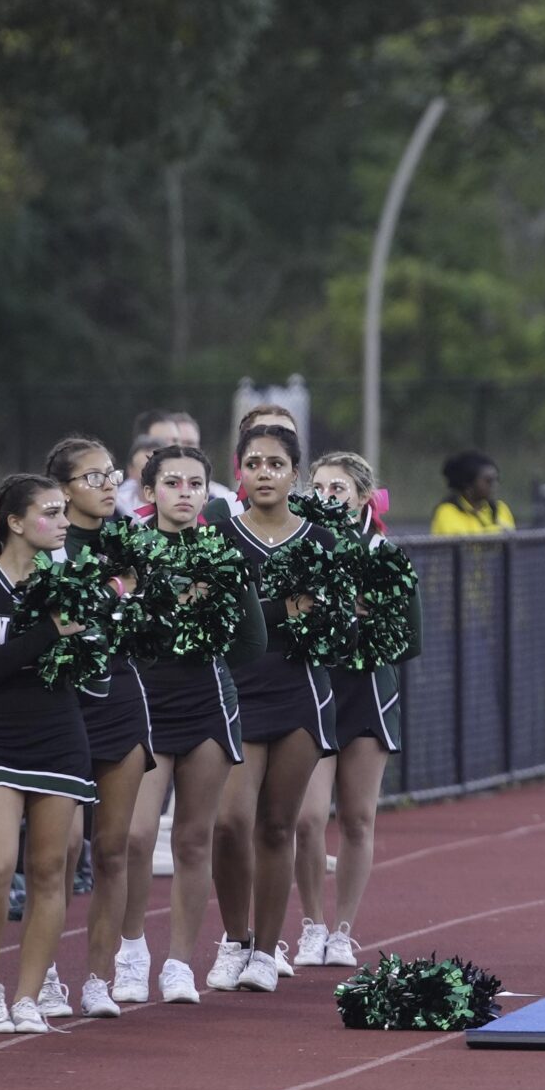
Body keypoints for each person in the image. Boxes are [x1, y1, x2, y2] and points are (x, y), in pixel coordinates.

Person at [0, 474, 99, 1035]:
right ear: (14, 522)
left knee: (49, 871)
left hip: (59, 732)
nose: (63, 521)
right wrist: (51, 633)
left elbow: (92, 661)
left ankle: (28, 995)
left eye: (64, 512)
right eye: (51, 512)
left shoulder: (71, 581)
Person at [118, 443, 267, 1004]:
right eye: (173, 483)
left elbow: (252, 641)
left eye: (195, 484)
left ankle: (179, 962)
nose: (184, 492)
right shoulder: (128, 551)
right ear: (149, 491)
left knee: (193, 838)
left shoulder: (219, 551)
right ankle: (132, 951)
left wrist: (211, 617)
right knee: (134, 836)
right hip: (145, 705)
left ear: (209, 493)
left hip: (206, 699)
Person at [208, 421, 337, 993]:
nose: (265, 473)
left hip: (299, 691)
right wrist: (280, 609)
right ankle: (233, 940)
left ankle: (265, 949)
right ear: (239, 470)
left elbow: (330, 620)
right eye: (255, 463)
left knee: (277, 824)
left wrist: (274, 612)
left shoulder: (320, 539)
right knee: (230, 823)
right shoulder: (221, 536)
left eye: (276, 464)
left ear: (294, 474)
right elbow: (225, 619)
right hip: (236, 690)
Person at [43, 436, 152, 1018]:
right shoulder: (47, 543)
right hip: (63, 704)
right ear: (62, 490)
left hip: (121, 701)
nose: (109, 484)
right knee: (60, 850)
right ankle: (48, 973)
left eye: (111, 474)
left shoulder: (131, 543)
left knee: (113, 848)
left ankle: (98, 979)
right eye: (93, 477)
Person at [289, 450, 409, 969]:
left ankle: (342, 930)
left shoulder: (383, 551)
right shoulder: (296, 545)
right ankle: (311, 924)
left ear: (362, 497)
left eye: (337, 489)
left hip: (366, 691)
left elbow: (408, 635)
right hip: (315, 689)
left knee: (358, 818)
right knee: (309, 818)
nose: (327, 497)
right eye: (318, 487)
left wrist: (364, 619)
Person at [430, 451, 514, 534]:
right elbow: (460, 543)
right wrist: (498, 532)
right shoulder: (447, 512)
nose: (494, 485)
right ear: (468, 485)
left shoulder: (500, 509)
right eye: (488, 481)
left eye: (496, 480)